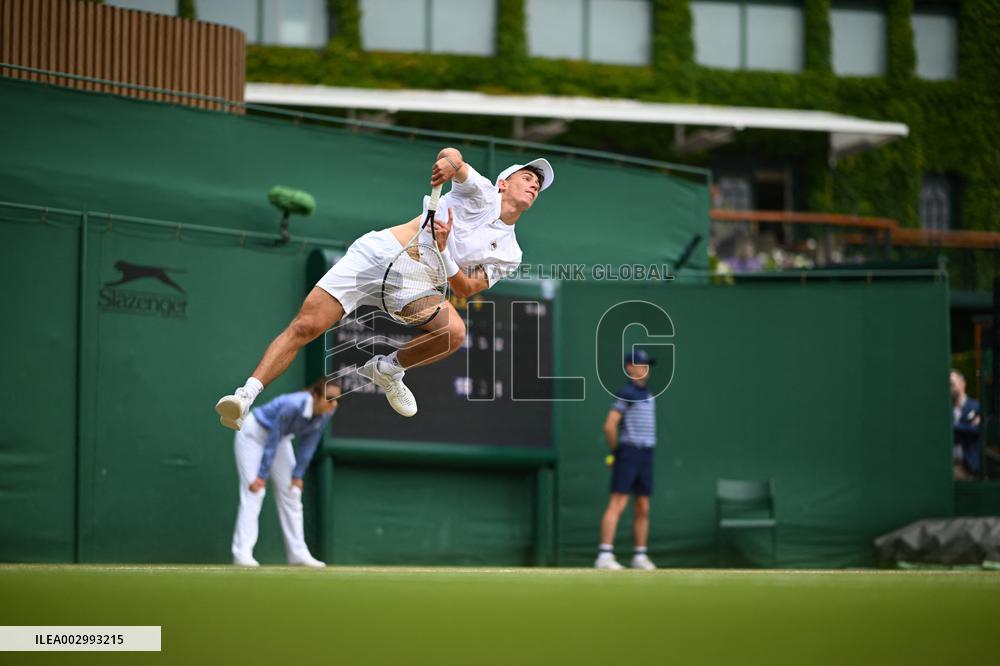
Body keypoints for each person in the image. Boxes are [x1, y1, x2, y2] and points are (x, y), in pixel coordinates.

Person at [214, 148, 554, 429]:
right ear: (503, 183)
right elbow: (455, 159)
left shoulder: (511, 254)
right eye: (527, 177)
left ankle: (388, 369)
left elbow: (464, 288)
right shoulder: (480, 191)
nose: (534, 184)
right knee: (306, 326)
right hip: (377, 255)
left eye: (539, 184)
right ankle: (245, 396)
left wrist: (444, 248)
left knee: (454, 333)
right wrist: (446, 164)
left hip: (414, 284)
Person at [231, 378, 340, 567]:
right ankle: (242, 554)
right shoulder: (292, 405)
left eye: (339, 399)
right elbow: (272, 438)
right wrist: (262, 476)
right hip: (253, 435)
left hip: (280, 440)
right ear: (314, 396)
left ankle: (298, 554)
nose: (335, 404)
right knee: (255, 491)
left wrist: (297, 475)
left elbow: (310, 443)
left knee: (293, 491)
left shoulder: (327, 411)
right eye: (330, 398)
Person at [595, 349, 658, 570]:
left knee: (643, 505)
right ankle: (604, 554)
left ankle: (639, 556)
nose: (645, 369)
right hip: (628, 452)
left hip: (647, 453)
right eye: (641, 364)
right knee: (618, 503)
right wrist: (617, 451)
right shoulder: (626, 393)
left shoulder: (649, 395)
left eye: (647, 365)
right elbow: (609, 425)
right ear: (630, 367)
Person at [951, 369, 982, 480]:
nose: (951, 388)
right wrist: (967, 427)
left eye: (952, 384)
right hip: (950, 465)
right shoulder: (947, 409)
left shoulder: (976, 406)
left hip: (969, 466)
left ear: (962, 383)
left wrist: (954, 427)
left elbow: (977, 430)